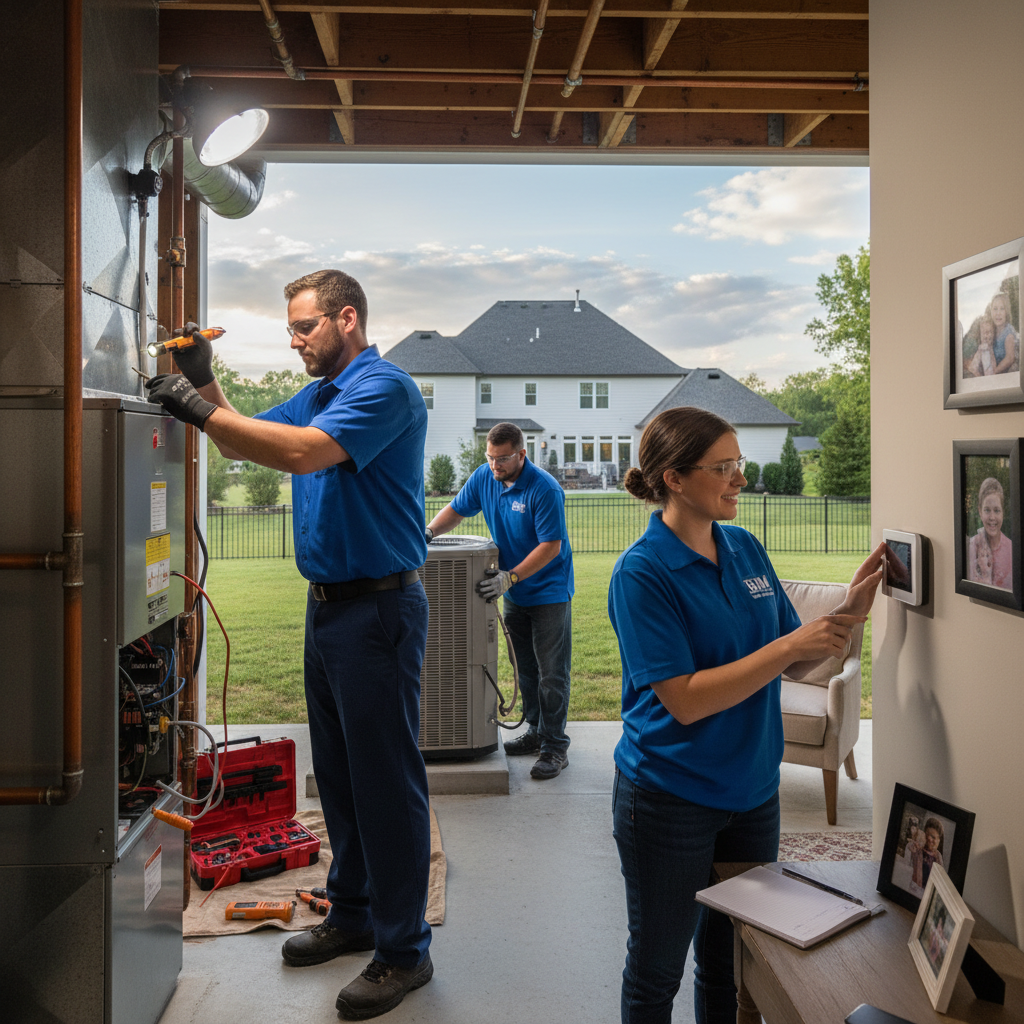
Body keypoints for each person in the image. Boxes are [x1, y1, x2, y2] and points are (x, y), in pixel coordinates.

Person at [145, 269, 434, 1021]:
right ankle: (355, 912)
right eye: (290, 330)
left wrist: (192, 408)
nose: (297, 340)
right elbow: (253, 442)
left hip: (379, 611)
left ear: (348, 318)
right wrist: (205, 386)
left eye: (306, 327)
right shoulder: (320, 395)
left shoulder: (384, 388)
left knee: (385, 782)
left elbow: (302, 454)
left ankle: (404, 952)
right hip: (330, 610)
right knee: (337, 779)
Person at [607, 407, 885, 1024]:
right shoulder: (641, 574)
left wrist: (852, 614)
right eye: (724, 467)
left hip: (754, 795)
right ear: (674, 478)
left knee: (730, 962)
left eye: (740, 464)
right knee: (656, 970)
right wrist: (790, 645)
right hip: (667, 799)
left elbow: (795, 666)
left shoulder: (744, 546)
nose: (740, 478)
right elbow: (684, 699)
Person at [426, 422, 574, 780]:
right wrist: (427, 532)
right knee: (526, 669)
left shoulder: (544, 489)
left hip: (547, 591)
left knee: (552, 673)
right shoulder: (484, 478)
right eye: (490, 458)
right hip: (511, 590)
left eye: (503, 459)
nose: (495, 466)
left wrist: (511, 577)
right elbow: (457, 509)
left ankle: (554, 747)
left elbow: (550, 546)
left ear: (522, 454)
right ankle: (536, 731)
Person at [967, 477, 1012, 590]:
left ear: (1003, 513)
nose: (992, 517)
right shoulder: (971, 547)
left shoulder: (1012, 550)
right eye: (987, 510)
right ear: (980, 511)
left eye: (996, 510)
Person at [913, 817, 945, 892]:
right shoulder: (917, 850)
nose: (930, 839)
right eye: (928, 835)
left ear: (938, 841)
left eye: (933, 837)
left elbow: (940, 878)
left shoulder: (938, 856)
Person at [990, 292, 1019, 374]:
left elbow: (1010, 358)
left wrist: (994, 372)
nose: (998, 313)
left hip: (1006, 373)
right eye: (995, 309)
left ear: (1006, 312)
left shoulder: (1008, 333)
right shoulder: (992, 330)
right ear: (991, 311)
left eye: (1002, 309)